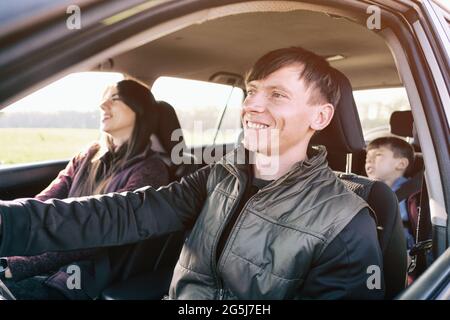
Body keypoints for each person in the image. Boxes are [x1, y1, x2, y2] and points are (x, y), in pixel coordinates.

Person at [0, 47, 384, 299]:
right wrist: (10, 223)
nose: (252, 106)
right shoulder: (219, 177)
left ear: (320, 116)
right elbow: (126, 213)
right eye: (251, 91)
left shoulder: (347, 224)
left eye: (277, 95)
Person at [1, 79, 170, 299]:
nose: (102, 105)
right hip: (47, 260)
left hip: (81, 275)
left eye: (114, 98)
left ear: (140, 108)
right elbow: (45, 200)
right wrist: (9, 225)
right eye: (103, 99)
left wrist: (23, 263)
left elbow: (100, 233)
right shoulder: (88, 155)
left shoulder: (151, 171)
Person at [365, 136, 416, 250]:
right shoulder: (366, 189)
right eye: (367, 157)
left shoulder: (411, 196)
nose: (369, 160)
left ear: (401, 164)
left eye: (378, 155)